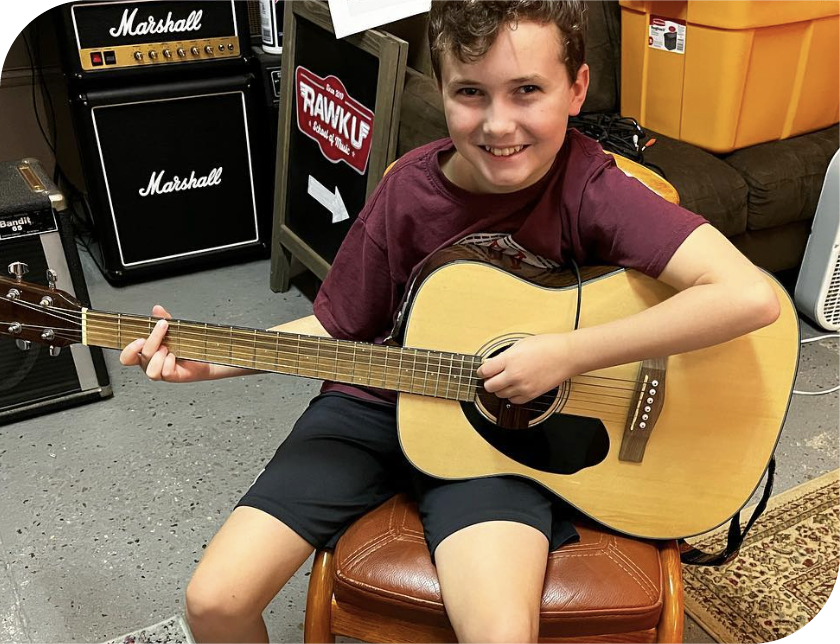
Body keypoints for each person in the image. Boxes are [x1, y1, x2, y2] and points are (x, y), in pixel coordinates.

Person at [119, 1, 781, 642]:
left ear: (577, 88)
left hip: (501, 442)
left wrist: (568, 354)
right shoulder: (408, 187)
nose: (499, 125)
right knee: (213, 602)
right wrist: (215, 360)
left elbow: (750, 298)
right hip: (373, 405)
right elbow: (337, 329)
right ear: (440, 90)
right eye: (471, 92)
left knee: (498, 631)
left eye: (527, 90)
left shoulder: (590, 186)